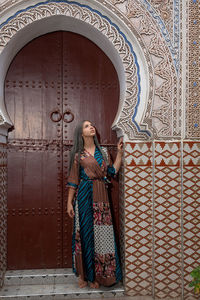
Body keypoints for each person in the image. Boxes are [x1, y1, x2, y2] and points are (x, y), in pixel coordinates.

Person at [67, 120, 123, 289]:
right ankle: (84, 275)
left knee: (102, 235)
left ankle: (99, 276)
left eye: (91, 125)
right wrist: (69, 203)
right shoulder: (78, 155)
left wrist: (119, 154)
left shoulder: (103, 152)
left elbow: (112, 172)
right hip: (83, 195)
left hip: (101, 196)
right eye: (86, 126)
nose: (91, 127)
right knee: (83, 234)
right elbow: (73, 180)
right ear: (81, 133)